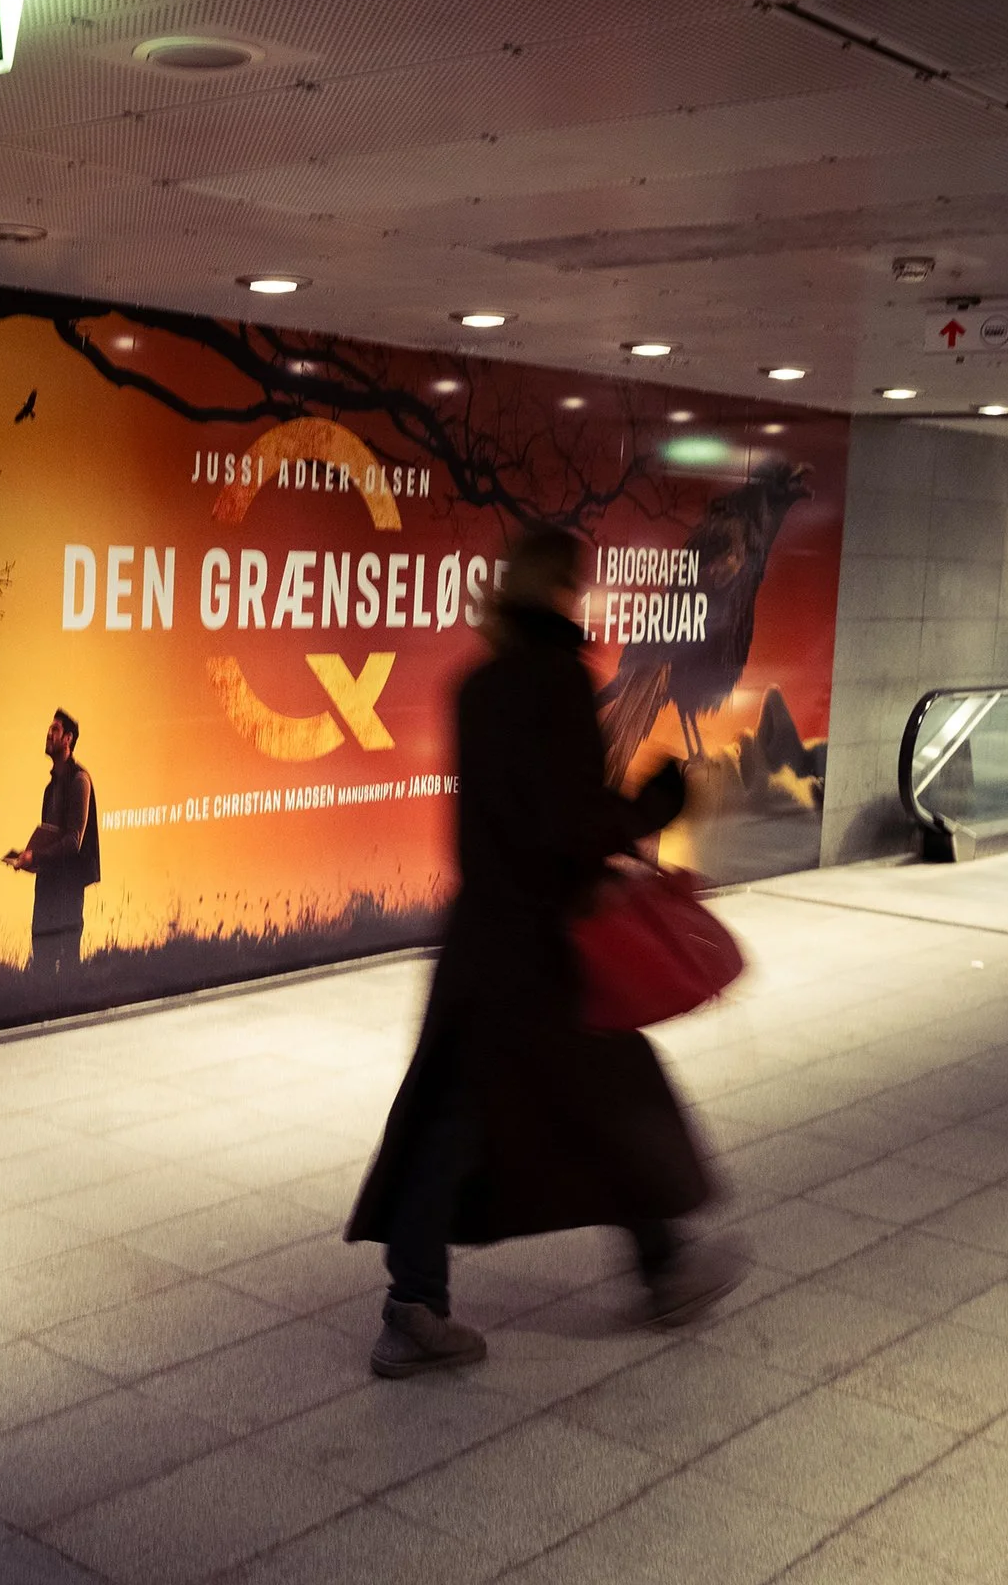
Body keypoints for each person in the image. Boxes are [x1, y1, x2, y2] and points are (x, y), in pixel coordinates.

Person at [346, 526, 741, 1379]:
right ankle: (665, 1269)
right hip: (544, 947)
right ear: (562, 588)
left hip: (481, 937)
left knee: (455, 1113)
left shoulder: (476, 684)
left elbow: (512, 814)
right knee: (612, 1095)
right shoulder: (556, 679)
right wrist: (652, 802)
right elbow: (566, 822)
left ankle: (415, 1303)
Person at [6, 709, 99, 974]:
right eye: (49, 728)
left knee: (67, 967)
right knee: (42, 963)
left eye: (55, 729)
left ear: (68, 738)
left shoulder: (80, 780)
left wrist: (35, 857)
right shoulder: (51, 787)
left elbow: (73, 841)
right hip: (47, 886)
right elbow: (51, 837)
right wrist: (29, 857)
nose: (49, 733)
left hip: (67, 890)